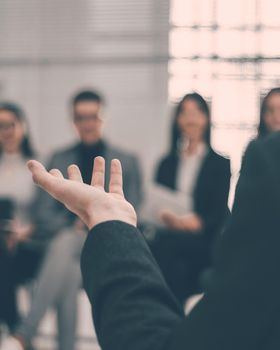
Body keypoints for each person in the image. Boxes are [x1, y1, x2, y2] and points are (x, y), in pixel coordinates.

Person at [17, 130, 280, 350]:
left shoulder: (269, 162)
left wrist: (109, 220)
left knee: (68, 255)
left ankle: (24, 333)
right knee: (67, 255)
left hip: (181, 238)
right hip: (70, 237)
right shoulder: (62, 155)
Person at [3, 90, 143, 350]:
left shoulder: (128, 161)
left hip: (106, 241)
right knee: (67, 264)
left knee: (66, 245)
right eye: (81, 117)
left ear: (103, 117)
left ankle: (24, 334)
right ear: (73, 120)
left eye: (93, 116)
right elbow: (42, 213)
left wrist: (95, 222)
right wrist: (73, 223)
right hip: (67, 244)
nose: (87, 123)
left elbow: (135, 211)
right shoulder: (58, 158)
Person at [151, 93, 231, 303]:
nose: (190, 119)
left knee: (167, 252)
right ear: (177, 120)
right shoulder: (166, 163)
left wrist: (194, 223)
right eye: (184, 113)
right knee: (169, 257)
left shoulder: (219, 164)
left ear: (206, 119)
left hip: (203, 239)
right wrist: (168, 218)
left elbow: (217, 214)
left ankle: (167, 315)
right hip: (169, 232)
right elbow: (156, 201)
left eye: (197, 112)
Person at [0, 103, 42, 333]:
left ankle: (14, 326)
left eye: (10, 124)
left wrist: (27, 231)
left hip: (28, 243)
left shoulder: (38, 164)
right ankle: (15, 325)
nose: (5, 131)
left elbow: (47, 212)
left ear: (22, 126)